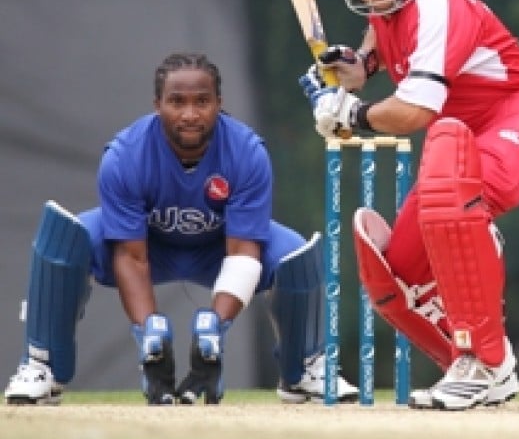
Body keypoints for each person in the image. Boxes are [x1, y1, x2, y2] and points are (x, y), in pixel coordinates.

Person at [299, 0, 519, 410]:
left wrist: (351, 115)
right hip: (462, 142)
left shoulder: (436, 4)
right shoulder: (386, 7)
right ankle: (483, 367)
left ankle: (484, 359)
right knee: (394, 272)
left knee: (452, 197)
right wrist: (359, 66)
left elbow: (417, 111)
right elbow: (381, 40)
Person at [4, 52, 357, 406]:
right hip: (147, 247)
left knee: (295, 254)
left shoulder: (247, 152)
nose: (190, 114)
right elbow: (131, 256)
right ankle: (41, 365)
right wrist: (149, 333)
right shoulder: (126, 154)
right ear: (157, 105)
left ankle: (304, 371)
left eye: (202, 101)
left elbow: (242, 253)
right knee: (64, 237)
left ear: (219, 103)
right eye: (177, 102)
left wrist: (215, 328)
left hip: (218, 249)